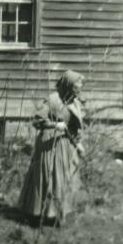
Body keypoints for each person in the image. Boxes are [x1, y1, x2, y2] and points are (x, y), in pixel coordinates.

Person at [18, 69, 86, 225]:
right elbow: (37, 122)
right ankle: (39, 215)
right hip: (49, 144)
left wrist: (79, 144)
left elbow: (75, 128)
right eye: (78, 84)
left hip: (67, 145)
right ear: (69, 84)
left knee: (67, 179)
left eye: (81, 84)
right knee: (49, 178)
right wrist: (55, 125)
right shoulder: (52, 99)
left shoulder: (74, 102)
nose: (80, 87)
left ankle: (59, 214)